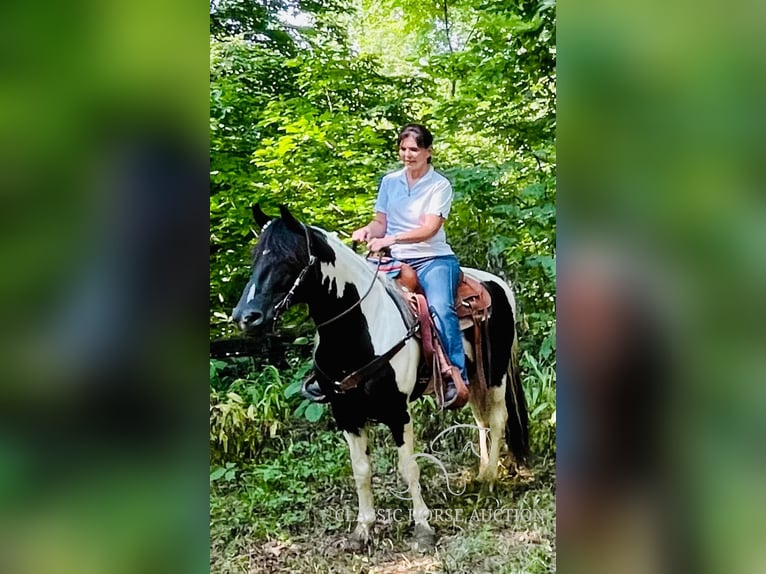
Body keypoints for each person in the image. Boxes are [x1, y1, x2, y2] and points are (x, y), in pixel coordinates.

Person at [302, 124, 466, 406]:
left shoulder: (440, 185)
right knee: (348, 297)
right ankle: (329, 369)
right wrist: (368, 231)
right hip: (392, 257)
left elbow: (429, 228)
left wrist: (391, 237)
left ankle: (454, 375)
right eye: (403, 149)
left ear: (428, 151)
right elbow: (380, 222)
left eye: (414, 149)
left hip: (432, 258)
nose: (407, 154)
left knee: (440, 308)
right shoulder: (390, 182)